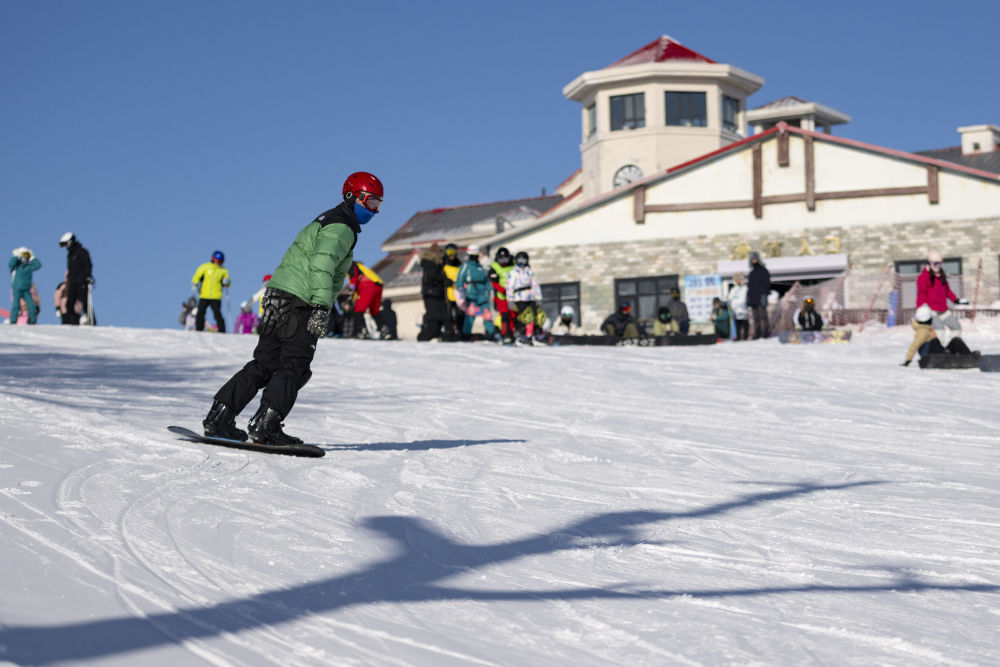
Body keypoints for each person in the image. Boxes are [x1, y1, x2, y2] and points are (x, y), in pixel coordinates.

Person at [203, 171, 383, 445]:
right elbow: (321, 267)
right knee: (295, 365)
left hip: (278, 296)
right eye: (370, 203)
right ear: (351, 197)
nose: (375, 211)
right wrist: (321, 308)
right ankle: (266, 426)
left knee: (265, 363)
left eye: (379, 205)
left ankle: (220, 416)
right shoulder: (341, 227)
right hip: (301, 301)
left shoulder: (325, 220)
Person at [916, 250, 967, 342]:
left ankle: (954, 348)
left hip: (942, 309)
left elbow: (947, 291)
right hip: (931, 310)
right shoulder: (924, 277)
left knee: (956, 327)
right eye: (935, 263)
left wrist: (955, 300)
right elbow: (922, 293)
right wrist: (922, 305)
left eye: (939, 263)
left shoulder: (941, 276)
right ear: (929, 264)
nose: (938, 266)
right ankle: (938, 352)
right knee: (939, 329)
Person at [455, 244, 495, 340]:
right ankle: (466, 334)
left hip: (482, 293)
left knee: (487, 313)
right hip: (471, 293)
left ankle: (490, 332)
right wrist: (461, 290)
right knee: (471, 313)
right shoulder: (466, 266)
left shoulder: (481, 267)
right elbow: (460, 279)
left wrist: (491, 290)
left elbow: (486, 281)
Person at [506, 251, 543, 345]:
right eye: (519, 259)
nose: (521, 261)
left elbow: (535, 285)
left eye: (523, 259)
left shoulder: (529, 272)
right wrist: (510, 300)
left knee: (534, 315)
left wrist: (538, 297)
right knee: (524, 317)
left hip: (529, 297)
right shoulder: (514, 272)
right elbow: (510, 287)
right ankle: (521, 336)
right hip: (519, 298)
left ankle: (531, 335)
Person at [192, 250, 231, 332]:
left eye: (221, 261)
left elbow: (227, 280)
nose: (218, 262)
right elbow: (197, 275)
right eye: (217, 260)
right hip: (204, 295)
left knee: (217, 313)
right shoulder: (205, 267)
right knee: (200, 313)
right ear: (213, 259)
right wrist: (195, 282)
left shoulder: (223, 271)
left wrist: (226, 282)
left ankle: (222, 330)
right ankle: (199, 329)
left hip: (216, 296)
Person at [59, 233, 93, 325]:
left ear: (71, 242)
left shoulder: (82, 252)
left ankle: (91, 322)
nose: (66, 246)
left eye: (67, 244)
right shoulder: (70, 254)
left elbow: (88, 265)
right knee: (69, 304)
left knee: (85, 303)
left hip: (82, 282)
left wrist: (88, 277)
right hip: (72, 282)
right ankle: (73, 324)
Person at [417, 243, 449, 341]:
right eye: (440, 252)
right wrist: (445, 279)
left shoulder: (437, 264)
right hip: (431, 294)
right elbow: (435, 276)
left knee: (442, 319)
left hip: (437, 294)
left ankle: (438, 336)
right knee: (434, 320)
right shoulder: (430, 263)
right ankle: (423, 338)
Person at [347, 261, 384, 338]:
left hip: (367, 285)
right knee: (374, 310)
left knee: (358, 310)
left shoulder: (350, 265)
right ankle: (384, 330)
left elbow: (354, 277)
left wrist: (351, 289)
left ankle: (363, 331)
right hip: (378, 285)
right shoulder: (360, 266)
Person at [488, 247, 516, 343]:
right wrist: (502, 290)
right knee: (504, 316)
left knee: (513, 315)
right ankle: (505, 334)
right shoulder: (494, 267)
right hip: (501, 297)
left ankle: (513, 334)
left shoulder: (514, 265)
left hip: (513, 296)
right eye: (501, 259)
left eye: (505, 259)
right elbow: (493, 282)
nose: (503, 261)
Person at [9, 247, 41, 325]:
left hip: (26, 289)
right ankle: (13, 321)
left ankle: (33, 321)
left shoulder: (29, 267)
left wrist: (32, 257)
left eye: (26, 258)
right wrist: (16, 256)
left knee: (31, 305)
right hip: (17, 288)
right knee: (16, 305)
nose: (24, 260)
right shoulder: (17, 266)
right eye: (23, 258)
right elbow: (10, 264)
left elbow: (38, 265)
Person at [441, 243, 465, 339]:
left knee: (460, 314)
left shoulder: (460, 265)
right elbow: (441, 278)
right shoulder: (443, 265)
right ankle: (449, 332)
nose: (451, 254)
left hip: (459, 294)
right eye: (449, 252)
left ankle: (461, 332)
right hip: (448, 294)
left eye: (453, 252)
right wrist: (448, 282)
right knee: (449, 314)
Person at [746, 251, 771, 339]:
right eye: (752, 259)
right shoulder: (751, 273)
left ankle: (765, 333)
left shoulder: (764, 271)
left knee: (763, 316)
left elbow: (767, 284)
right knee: (755, 317)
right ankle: (757, 333)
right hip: (753, 299)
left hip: (761, 297)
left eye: (755, 259)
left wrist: (764, 294)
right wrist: (748, 299)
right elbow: (749, 287)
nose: (754, 261)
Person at [727, 272, 750, 341]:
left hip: (744, 308)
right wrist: (730, 305)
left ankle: (746, 336)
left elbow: (747, 298)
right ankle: (738, 336)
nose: (738, 281)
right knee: (737, 324)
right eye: (737, 279)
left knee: (745, 323)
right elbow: (730, 299)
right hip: (735, 309)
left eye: (740, 279)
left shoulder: (745, 288)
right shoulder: (733, 289)